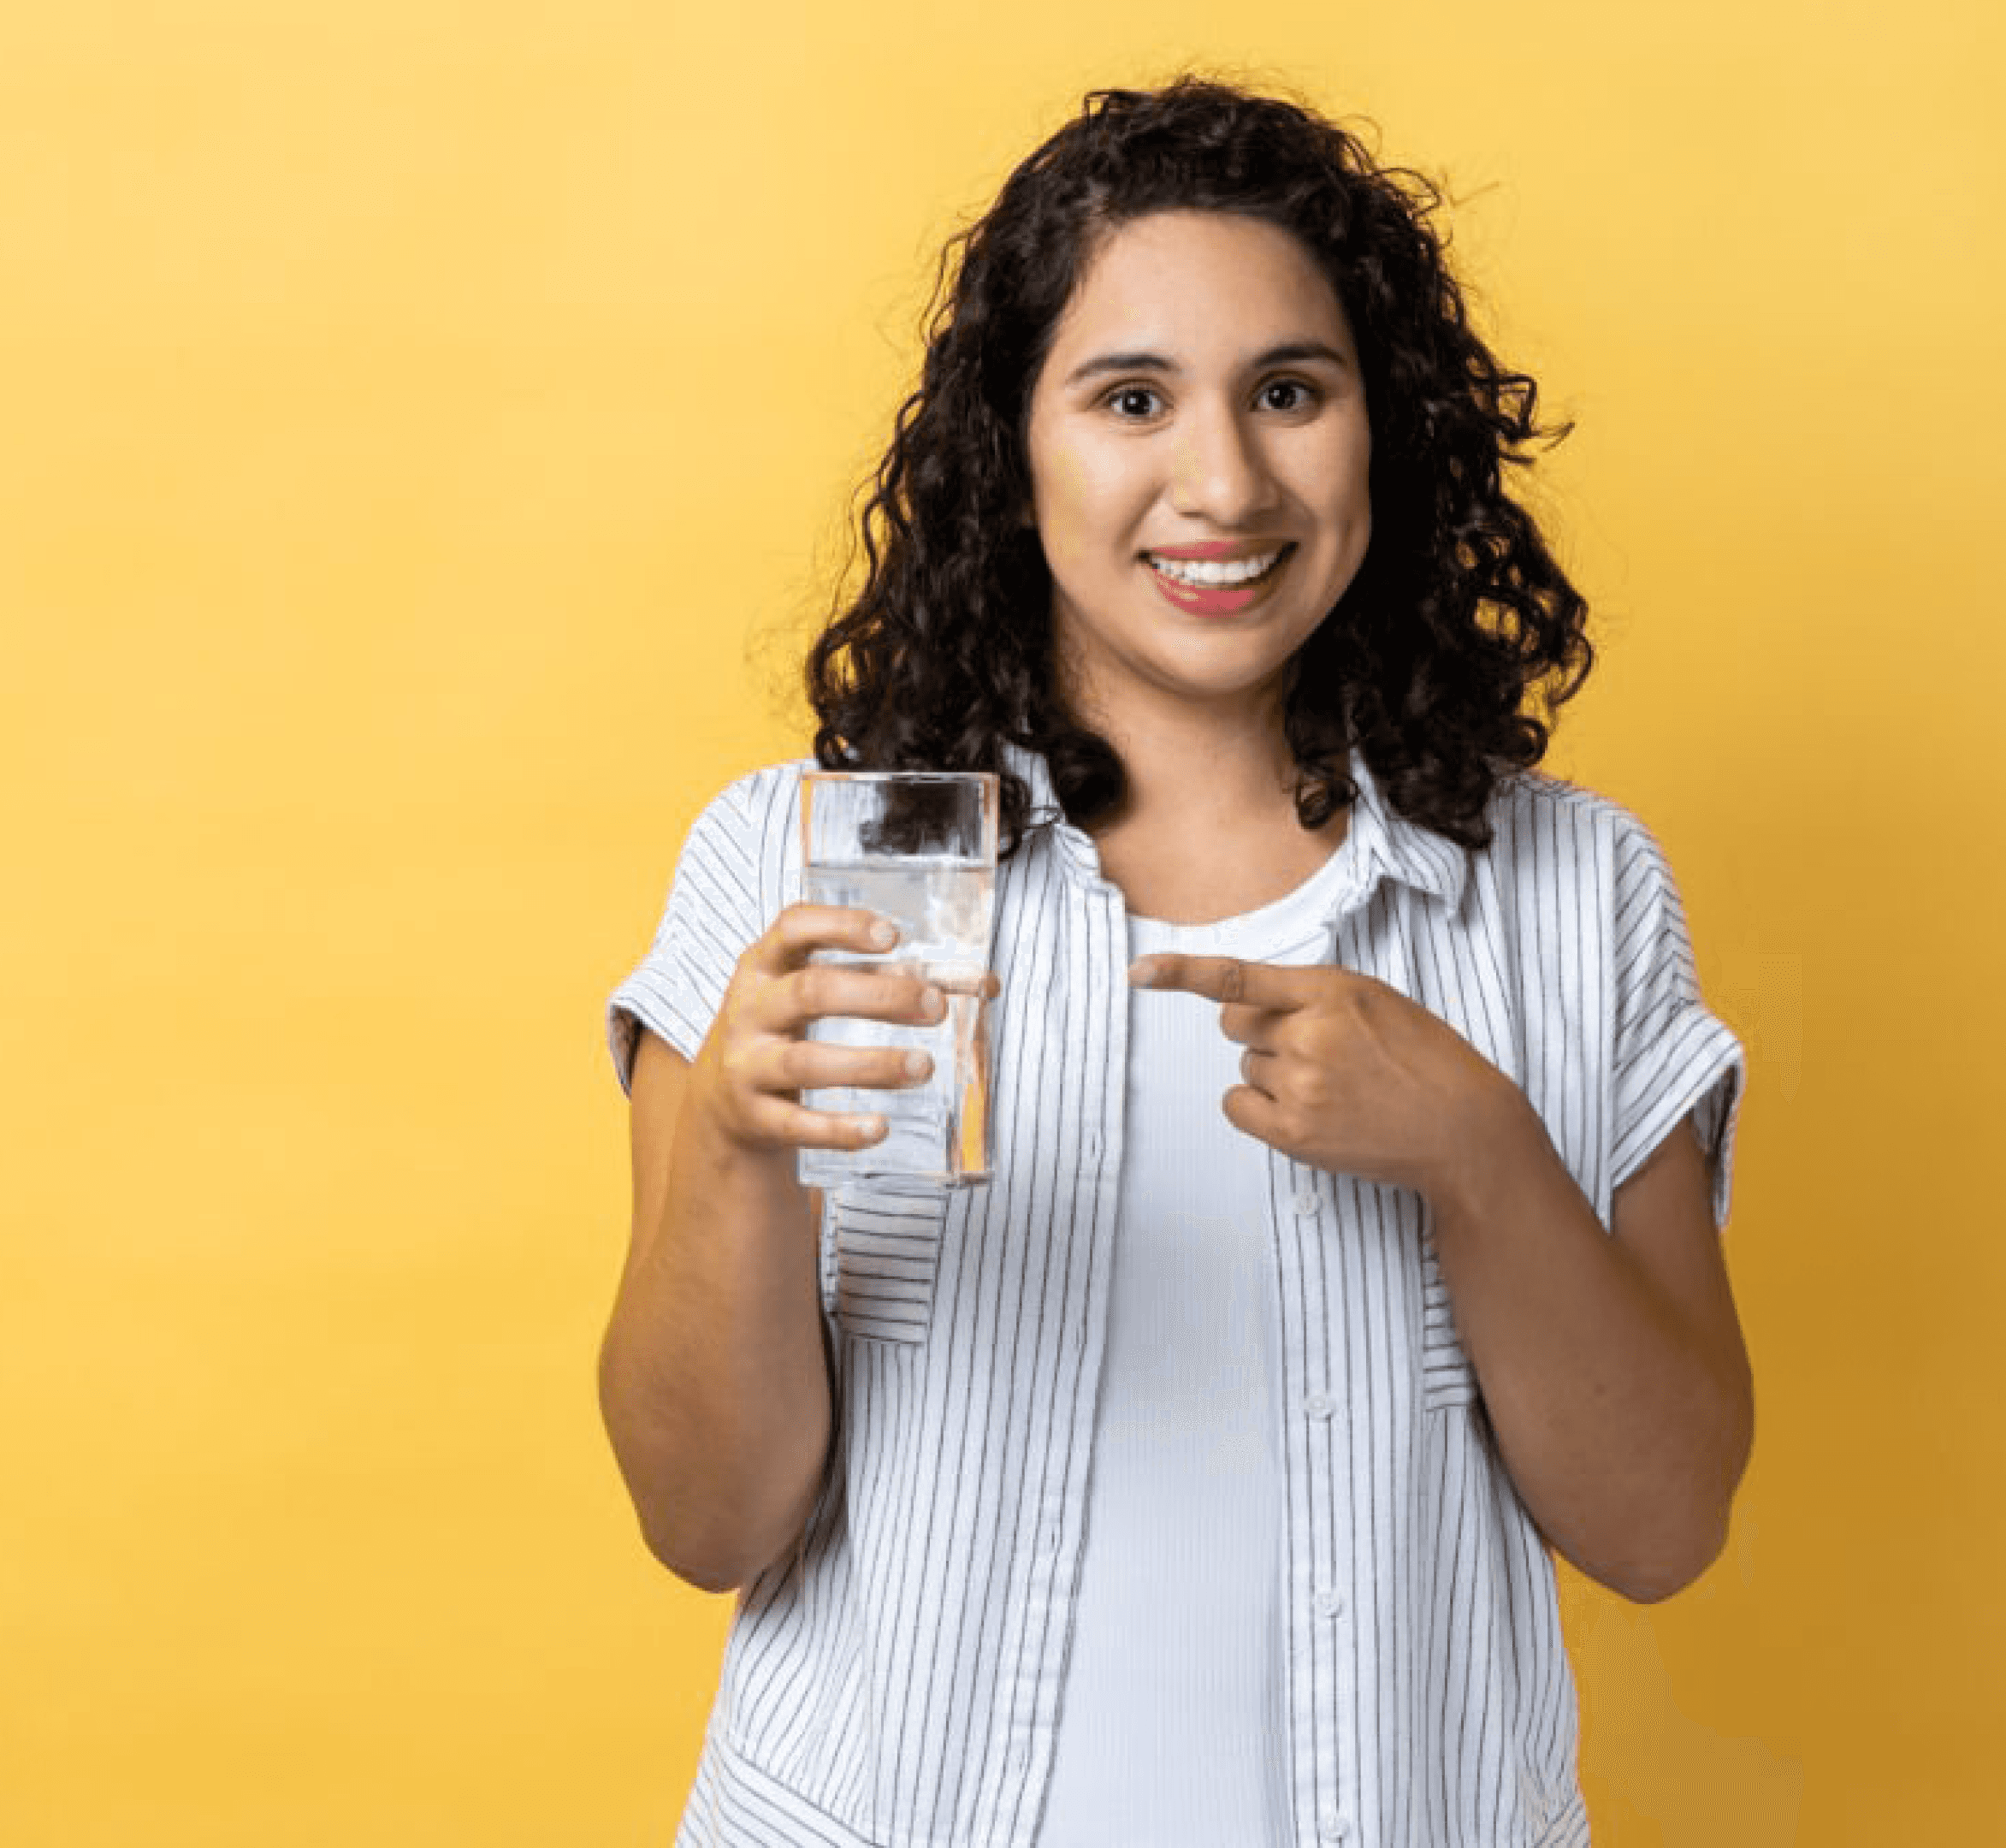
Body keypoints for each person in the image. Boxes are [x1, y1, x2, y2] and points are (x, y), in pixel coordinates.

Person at [599, 76, 1750, 1848]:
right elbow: (705, 1522)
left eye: (1288, 391)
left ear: (1384, 433)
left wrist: (1477, 1153)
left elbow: (1662, 1525)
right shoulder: (805, 868)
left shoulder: (1558, 892)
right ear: (1015, 445)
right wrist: (742, 1166)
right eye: (1129, 396)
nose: (1220, 481)